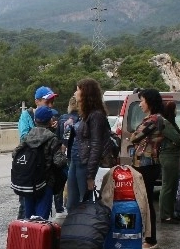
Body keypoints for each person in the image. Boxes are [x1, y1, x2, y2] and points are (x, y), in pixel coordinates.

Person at [129, 89, 168, 249]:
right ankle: (146, 236)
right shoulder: (152, 119)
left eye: (142, 100)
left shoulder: (154, 119)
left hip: (148, 164)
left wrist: (134, 136)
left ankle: (151, 239)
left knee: (146, 202)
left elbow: (135, 137)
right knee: (144, 201)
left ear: (150, 102)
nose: (140, 104)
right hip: (144, 164)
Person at [16, 105, 68, 220]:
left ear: (35, 120)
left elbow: (15, 154)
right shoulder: (52, 138)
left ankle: (28, 237)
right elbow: (59, 161)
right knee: (41, 220)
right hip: (45, 183)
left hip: (29, 183)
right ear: (50, 121)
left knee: (29, 218)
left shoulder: (27, 136)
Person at [67, 78, 110, 212]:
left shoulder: (96, 116)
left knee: (84, 201)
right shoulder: (85, 114)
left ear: (86, 93)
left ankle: (84, 229)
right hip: (76, 160)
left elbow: (96, 145)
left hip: (84, 162)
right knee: (71, 202)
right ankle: (73, 227)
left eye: (78, 90)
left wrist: (90, 175)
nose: (75, 93)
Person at [17, 85, 57, 218]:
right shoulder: (26, 116)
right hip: (30, 169)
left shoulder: (51, 117)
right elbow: (24, 138)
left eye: (52, 102)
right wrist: (43, 128)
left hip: (44, 172)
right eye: (47, 102)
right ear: (37, 102)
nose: (50, 105)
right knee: (25, 208)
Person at [158, 100, 180, 224]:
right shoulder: (166, 123)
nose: (176, 111)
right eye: (175, 109)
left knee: (172, 185)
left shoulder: (169, 123)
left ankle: (170, 212)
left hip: (172, 156)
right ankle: (165, 215)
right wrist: (176, 141)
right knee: (168, 186)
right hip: (168, 156)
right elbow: (178, 139)